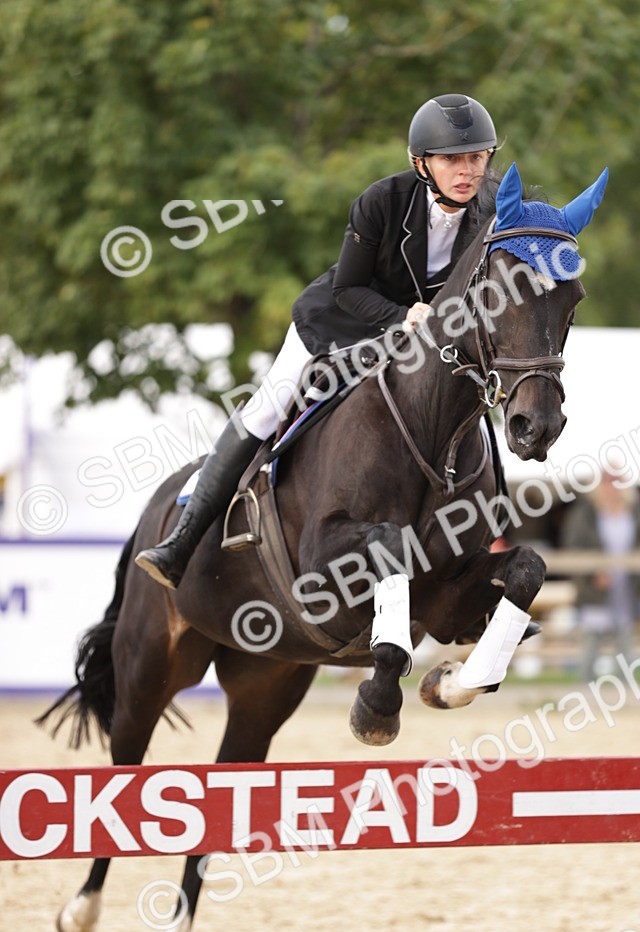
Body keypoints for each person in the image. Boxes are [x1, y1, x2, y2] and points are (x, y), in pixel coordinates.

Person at [136, 94, 499, 589]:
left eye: (477, 157)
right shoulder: (381, 203)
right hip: (341, 324)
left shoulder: (493, 205)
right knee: (268, 407)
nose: (468, 170)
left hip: (424, 337)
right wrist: (401, 316)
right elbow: (349, 289)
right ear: (421, 163)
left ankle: (473, 565)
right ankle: (181, 542)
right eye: (453, 159)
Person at [560, 472, 640, 681]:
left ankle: (623, 701)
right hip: (595, 591)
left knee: (625, 648)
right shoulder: (585, 514)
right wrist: (593, 572)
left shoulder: (636, 513)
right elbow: (574, 548)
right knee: (591, 646)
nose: (612, 486)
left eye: (617, 480)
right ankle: (585, 697)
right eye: (608, 480)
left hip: (626, 590)